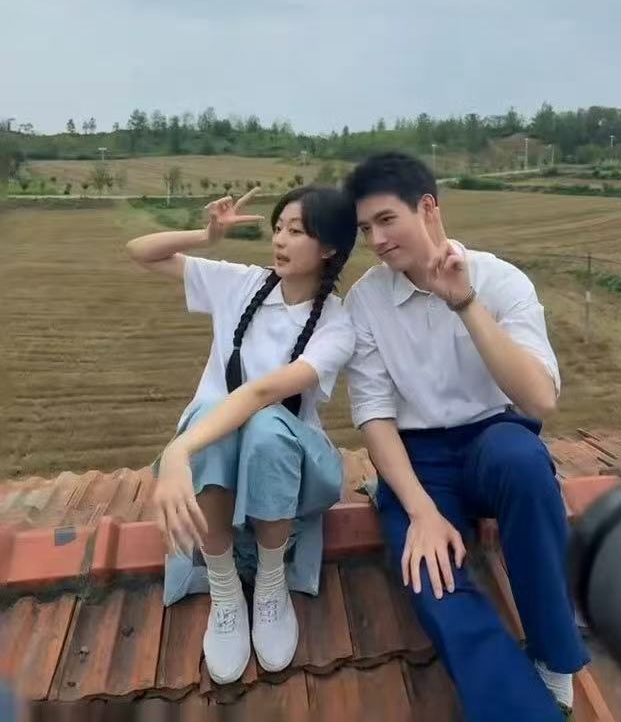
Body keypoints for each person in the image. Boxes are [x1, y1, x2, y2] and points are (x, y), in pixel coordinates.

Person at [343, 153, 589, 722]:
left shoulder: (500, 280)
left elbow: (539, 399)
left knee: (523, 462)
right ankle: (522, 711)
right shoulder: (366, 301)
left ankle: (554, 654)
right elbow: (374, 416)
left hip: (494, 439)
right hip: (417, 461)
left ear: (428, 208)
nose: (376, 241)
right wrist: (422, 511)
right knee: (430, 577)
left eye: (386, 220)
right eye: (364, 229)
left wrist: (465, 303)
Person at [126, 185, 357, 685]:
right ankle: (225, 588)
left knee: (266, 426)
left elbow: (261, 393)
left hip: (297, 467)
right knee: (214, 417)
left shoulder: (337, 324)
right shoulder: (241, 284)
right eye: (278, 228)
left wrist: (178, 450)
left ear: (329, 248)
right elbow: (140, 251)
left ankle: (271, 583)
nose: (280, 239)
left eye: (296, 231)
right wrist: (206, 236)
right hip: (220, 455)